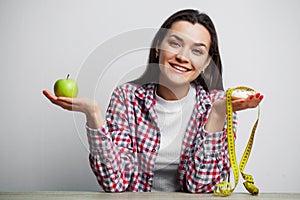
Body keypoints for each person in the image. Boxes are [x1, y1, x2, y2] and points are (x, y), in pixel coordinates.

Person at [43, 9, 263, 193]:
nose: (183, 57)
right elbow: (115, 183)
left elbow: (201, 187)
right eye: (175, 43)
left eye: (197, 51)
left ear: (206, 63)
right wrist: (93, 115)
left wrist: (217, 115)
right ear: (158, 46)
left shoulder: (220, 105)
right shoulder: (126, 98)